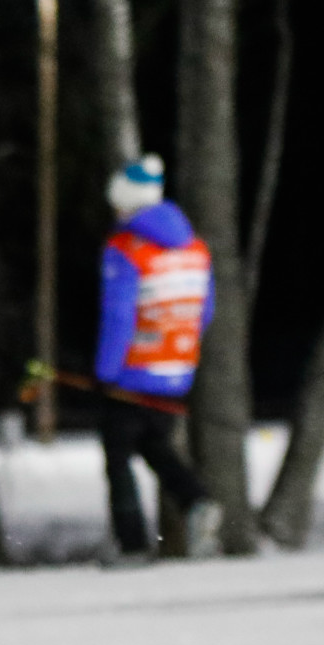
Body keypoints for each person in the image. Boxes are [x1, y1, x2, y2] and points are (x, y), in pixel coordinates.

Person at [95, 155, 221, 561]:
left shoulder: (126, 249)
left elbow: (119, 315)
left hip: (132, 371)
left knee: (118, 458)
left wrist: (106, 373)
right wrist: (182, 352)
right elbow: (205, 308)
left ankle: (132, 545)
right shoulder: (195, 248)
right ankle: (197, 501)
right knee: (155, 446)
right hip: (176, 371)